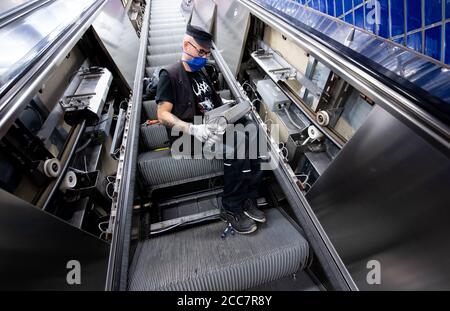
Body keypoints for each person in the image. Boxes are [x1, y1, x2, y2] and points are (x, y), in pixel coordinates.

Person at [156, 24, 265, 234]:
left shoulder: (202, 71)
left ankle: (249, 197)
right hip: (188, 137)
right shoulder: (169, 75)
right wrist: (193, 129)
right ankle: (231, 206)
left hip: (215, 124)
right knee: (237, 144)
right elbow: (162, 114)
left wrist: (230, 105)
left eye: (207, 53)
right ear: (186, 45)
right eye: (201, 51)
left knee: (254, 130)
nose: (204, 57)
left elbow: (210, 102)